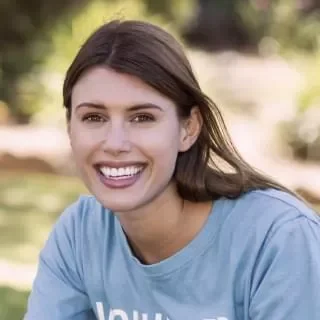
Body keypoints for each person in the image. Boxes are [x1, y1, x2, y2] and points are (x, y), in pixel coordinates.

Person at [24, 20, 320, 320]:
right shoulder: (80, 234)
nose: (114, 143)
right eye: (93, 117)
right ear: (70, 128)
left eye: (142, 118)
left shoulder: (279, 239)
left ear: (188, 128)